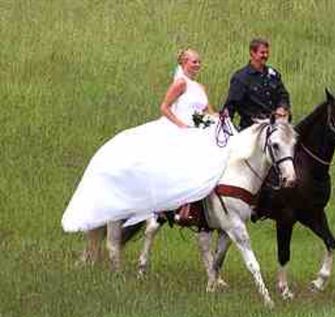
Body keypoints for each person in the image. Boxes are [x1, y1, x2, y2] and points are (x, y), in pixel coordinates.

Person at [62, 49, 232, 232]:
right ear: (184, 63)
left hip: (198, 128)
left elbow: (208, 111)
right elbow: (165, 107)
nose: (197, 65)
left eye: (199, 62)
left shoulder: (200, 87)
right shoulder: (180, 84)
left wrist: (220, 116)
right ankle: (180, 204)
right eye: (194, 62)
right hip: (179, 126)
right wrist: (181, 125)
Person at [222, 38, 291, 130]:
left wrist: (282, 107)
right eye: (262, 53)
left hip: (276, 125)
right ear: (252, 53)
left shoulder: (273, 74)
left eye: (267, 52)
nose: (265, 55)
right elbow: (231, 105)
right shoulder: (241, 78)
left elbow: (283, 95)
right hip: (253, 128)